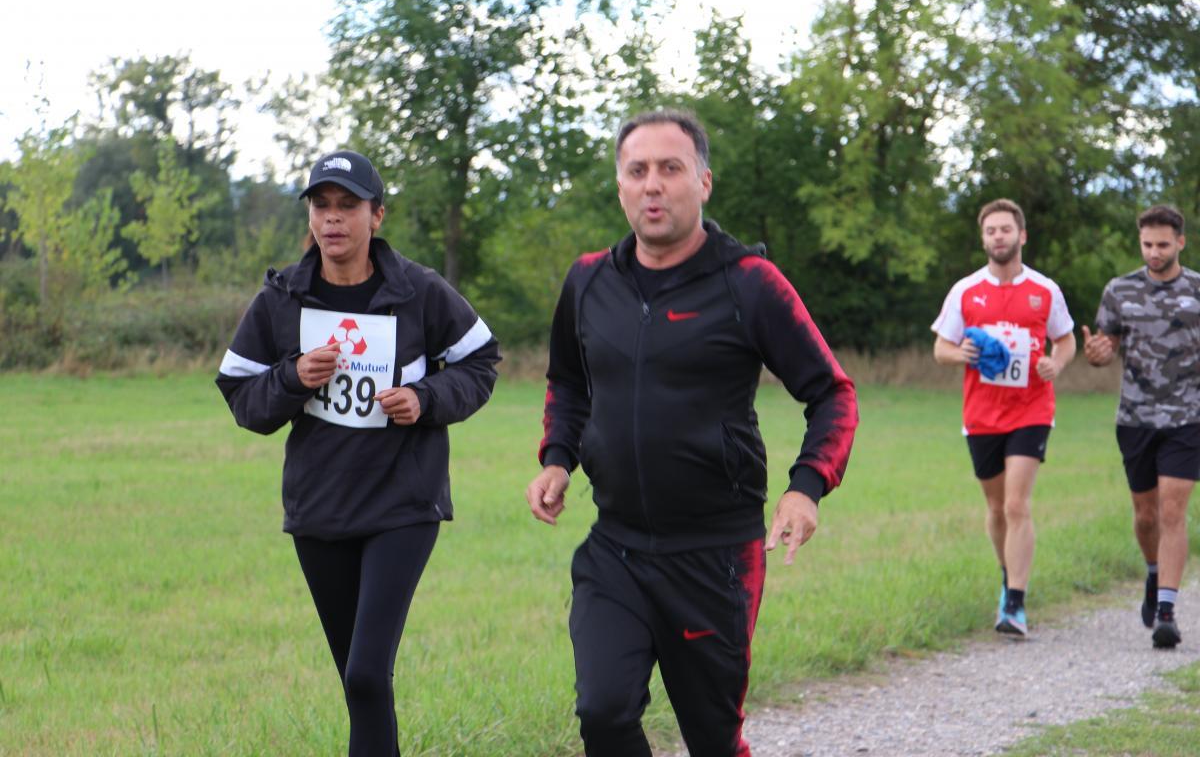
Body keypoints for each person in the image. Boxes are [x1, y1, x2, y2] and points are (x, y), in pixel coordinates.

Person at [525, 109, 859, 757]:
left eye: (670, 168)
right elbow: (568, 381)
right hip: (615, 548)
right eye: (637, 171)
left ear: (703, 182)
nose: (652, 184)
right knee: (603, 713)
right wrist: (558, 458)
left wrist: (807, 487)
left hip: (716, 558)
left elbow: (833, 393)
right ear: (620, 186)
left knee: (713, 740)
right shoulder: (588, 280)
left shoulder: (750, 284)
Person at [216, 150, 500, 754]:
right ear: (309, 216)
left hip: (403, 503)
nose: (333, 218)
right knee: (360, 682)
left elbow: (481, 361)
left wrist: (425, 398)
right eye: (321, 205)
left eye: (349, 206)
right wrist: (292, 377)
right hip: (319, 508)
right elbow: (242, 396)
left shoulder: (419, 291)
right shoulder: (283, 299)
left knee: (368, 672)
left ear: (377, 215)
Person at [931, 198, 1076, 637]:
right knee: (996, 509)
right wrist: (961, 353)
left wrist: (1056, 363)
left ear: (1021, 235)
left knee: (1016, 504)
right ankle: (1007, 573)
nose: (999, 237)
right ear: (983, 239)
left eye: (1005, 229)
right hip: (981, 414)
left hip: (1032, 409)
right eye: (991, 231)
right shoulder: (966, 291)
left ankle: (1015, 603)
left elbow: (1066, 340)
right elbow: (940, 348)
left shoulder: (1045, 290)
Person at [1082, 204, 1200, 649]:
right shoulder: (1120, 290)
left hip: (1187, 417)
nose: (1154, 252)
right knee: (1146, 515)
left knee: (1172, 511)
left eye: (1163, 245)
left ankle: (1167, 611)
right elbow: (1106, 346)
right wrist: (1097, 354)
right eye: (1147, 244)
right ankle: (1153, 573)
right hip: (1135, 417)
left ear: (1180, 243)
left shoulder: (1197, 290)